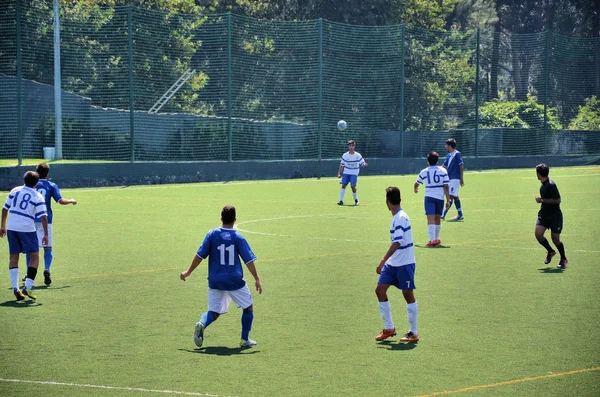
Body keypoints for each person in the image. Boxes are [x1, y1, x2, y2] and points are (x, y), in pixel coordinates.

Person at [180, 205, 262, 348]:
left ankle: (202, 323)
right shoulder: (238, 237)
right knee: (248, 307)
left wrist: (188, 271)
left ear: (221, 219)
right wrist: (257, 278)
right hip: (234, 280)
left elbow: (200, 256)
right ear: (235, 219)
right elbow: (248, 260)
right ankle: (244, 339)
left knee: (214, 312)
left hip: (215, 280)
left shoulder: (212, 234)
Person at [374, 186, 419, 343]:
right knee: (380, 290)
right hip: (393, 264)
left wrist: (382, 260)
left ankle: (413, 332)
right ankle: (389, 328)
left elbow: (398, 242)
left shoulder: (400, 217)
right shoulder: (397, 217)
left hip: (405, 263)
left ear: (387, 202)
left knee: (407, 294)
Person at [24, 163, 77, 286]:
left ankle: (28, 273)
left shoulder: (31, 185)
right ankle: (47, 269)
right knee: (48, 247)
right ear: (48, 173)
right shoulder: (51, 185)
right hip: (46, 220)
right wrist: (71, 200)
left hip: (31, 219)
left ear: (36, 172)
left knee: (31, 249)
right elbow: (60, 201)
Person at [0, 171, 48, 301]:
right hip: (27, 228)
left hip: (11, 227)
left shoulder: (15, 190)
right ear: (37, 183)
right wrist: (46, 234)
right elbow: (43, 216)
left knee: (13, 256)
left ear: (24, 179)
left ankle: (16, 289)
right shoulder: (37, 196)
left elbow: (5, 209)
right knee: (34, 256)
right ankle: (28, 286)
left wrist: (2, 226)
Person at [534, 164, 568, 269]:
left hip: (554, 216)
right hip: (544, 214)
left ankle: (563, 259)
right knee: (538, 234)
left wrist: (542, 200)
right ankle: (550, 251)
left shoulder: (551, 185)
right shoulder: (543, 184)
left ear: (539, 174)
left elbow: (558, 200)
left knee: (555, 240)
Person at [414, 152, 450, 246]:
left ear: (428, 161)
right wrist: (448, 200)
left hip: (429, 197)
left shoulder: (424, 171)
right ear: (438, 160)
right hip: (440, 198)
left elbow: (417, 182)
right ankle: (436, 238)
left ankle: (432, 240)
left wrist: (416, 189)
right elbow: (446, 186)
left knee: (430, 217)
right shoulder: (443, 171)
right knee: (437, 217)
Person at [337, 140, 368, 206]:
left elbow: (362, 162)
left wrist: (364, 164)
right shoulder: (345, 155)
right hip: (346, 172)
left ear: (354, 146)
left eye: (352, 146)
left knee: (352, 186)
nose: (351, 147)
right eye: (350, 146)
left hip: (354, 173)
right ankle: (341, 201)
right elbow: (342, 165)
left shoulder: (358, 155)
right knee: (343, 185)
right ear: (348, 147)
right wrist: (339, 173)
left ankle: (356, 200)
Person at [441, 138, 465, 221]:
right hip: (449, 178)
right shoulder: (448, 155)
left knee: (451, 195)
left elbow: (461, 165)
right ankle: (460, 214)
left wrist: (461, 178)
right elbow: (444, 166)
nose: (445, 146)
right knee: (455, 196)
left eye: (446, 145)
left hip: (455, 178)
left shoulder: (457, 154)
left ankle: (443, 214)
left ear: (450, 146)